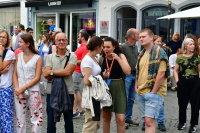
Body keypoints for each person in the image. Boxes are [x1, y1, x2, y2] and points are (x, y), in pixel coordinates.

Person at [135, 28, 169, 133]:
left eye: (143, 37)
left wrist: (153, 92)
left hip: (153, 92)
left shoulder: (159, 52)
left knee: (149, 122)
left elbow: (161, 74)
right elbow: (138, 72)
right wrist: (136, 87)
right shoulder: (141, 53)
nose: (141, 39)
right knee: (147, 121)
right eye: (140, 37)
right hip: (141, 91)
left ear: (151, 38)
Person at [43, 33, 77, 133]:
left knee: (69, 122)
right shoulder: (50, 57)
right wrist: (61, 72)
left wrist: (52, 72)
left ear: (67, 41)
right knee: (50, 123)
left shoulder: (72, 56)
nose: (61, 42)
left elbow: (68, 72)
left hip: (68, 92)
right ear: (55, 42)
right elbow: (45, 74)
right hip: (52, 93)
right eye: (59, 40)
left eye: (64, 40)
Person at [13, 34, 43, 133]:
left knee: (36, 118)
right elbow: (15, 74)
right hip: (19, 92)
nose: (18, 44)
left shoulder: (38, 58)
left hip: (34, 91)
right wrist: (18, 89)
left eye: (21, 42)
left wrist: (23, 88)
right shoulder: (18, 56)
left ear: (28, 44)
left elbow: (37, 77)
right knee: (19, 120)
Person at [102, 37, 131, 133]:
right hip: (106, 88)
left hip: (118, 87)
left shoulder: (120, 56)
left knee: (121, 119)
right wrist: (103, 76)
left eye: (108, 47)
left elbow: (128, 71)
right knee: (106, 117)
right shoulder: (101, 58)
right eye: (104, 47)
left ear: (114, 47)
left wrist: (118, 59)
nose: (106, 49)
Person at [174, 38, 200, 133]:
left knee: (195, 104)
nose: (192, 46)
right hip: (183, 82)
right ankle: (182, 122)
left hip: (195, 82)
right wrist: (177, 82)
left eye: (193, 44)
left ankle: (193, 124)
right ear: (185, 46)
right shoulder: (180, 57)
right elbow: (176, 70)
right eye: (190, 44)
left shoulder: (197, 57)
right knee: (182, 104)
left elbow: (199, 71)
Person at [81, 36, 104, 133]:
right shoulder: (87, 60)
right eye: (102, 46)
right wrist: (100, 80)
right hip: (91, 94)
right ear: (98, 47)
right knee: (91, 122)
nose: (103, 49)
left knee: (96, 122)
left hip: (96, 93)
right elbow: (87, 80)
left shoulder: (93, 58)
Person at [120, 28, 139, 126]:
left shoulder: (135, 47)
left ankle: (128, 118)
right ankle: (122, 120)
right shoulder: (123, 47)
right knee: (125, 98)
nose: (139, 36)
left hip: (134, 75)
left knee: (131, 98)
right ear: (132, 36)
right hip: (126, 75)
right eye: (137, 34)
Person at [0, 30, 15, 132]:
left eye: (4, 37)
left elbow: (1, 66)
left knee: (6, 117)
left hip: (5, 88)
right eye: (0, 37)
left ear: (7, 40)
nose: (1, 39)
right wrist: (1, 71)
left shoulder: (10, 53)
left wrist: (1, 53)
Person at [72, 31, 89, 118]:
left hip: (78, 71)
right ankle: (81, 109)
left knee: (73, 90)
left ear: (83, 37)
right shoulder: (81, 47)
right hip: (76, 70)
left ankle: (74, 110)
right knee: (76, 90)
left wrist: (72, 61)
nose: (78, 38)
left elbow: (83, 61)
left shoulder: (85, 47)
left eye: (79, 36)